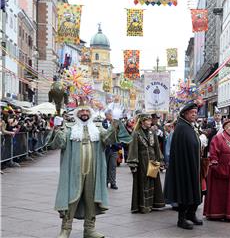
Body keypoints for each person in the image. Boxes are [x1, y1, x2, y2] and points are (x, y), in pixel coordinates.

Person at [48, 102, 132, 238]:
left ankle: (89, 229)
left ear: (91, 113)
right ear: (77, 113)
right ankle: (65, 229)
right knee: (71, 198)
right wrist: (57, 128)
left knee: (91, 198)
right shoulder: (69, 128)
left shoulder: (97, 128)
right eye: (82, 111)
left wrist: (115, 124)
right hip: (72, 171)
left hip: (94, 170)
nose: (85, 114)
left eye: (87, 111)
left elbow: (108, 140)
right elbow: (58, 144)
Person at [164, 102, 202, 230]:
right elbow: (181, 149)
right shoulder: (181, 128)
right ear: (185, 114)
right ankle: (181, 219)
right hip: (184, 167)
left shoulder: (189, 126)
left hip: (193, 164)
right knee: (184, 192)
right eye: (192, 113)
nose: (194, 115)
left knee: (196, 191)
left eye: (196, 113)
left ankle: (191, 214)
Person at [203, 118, 230, 221]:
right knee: (219, 192)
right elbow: (213, 153)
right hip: (220, 169)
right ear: (225, 127)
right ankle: (217, 213)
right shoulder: (217, 138)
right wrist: (216, 165)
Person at [127, 113, 165, 214]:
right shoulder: (136, 133)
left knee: (153, 182)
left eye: (150, 120)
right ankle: (144, 206)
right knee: (144, 183)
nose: (150, 122)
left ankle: (152, 204)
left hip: (152, 161)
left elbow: (157, 147)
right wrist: (133, 163)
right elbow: (133, 149)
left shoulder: (152, 132)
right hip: (142, 161)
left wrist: (160, 160)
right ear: (142, 121)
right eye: (148, 120)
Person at [102, 109, 120, 189]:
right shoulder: (103, 123)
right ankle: (105, 182)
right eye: (109, 115)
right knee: (105, 166)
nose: (110, 116)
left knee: (113, 166)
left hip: (114, 148)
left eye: (111, 114)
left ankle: (113, 182)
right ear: (106, 115)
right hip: (105, 148)